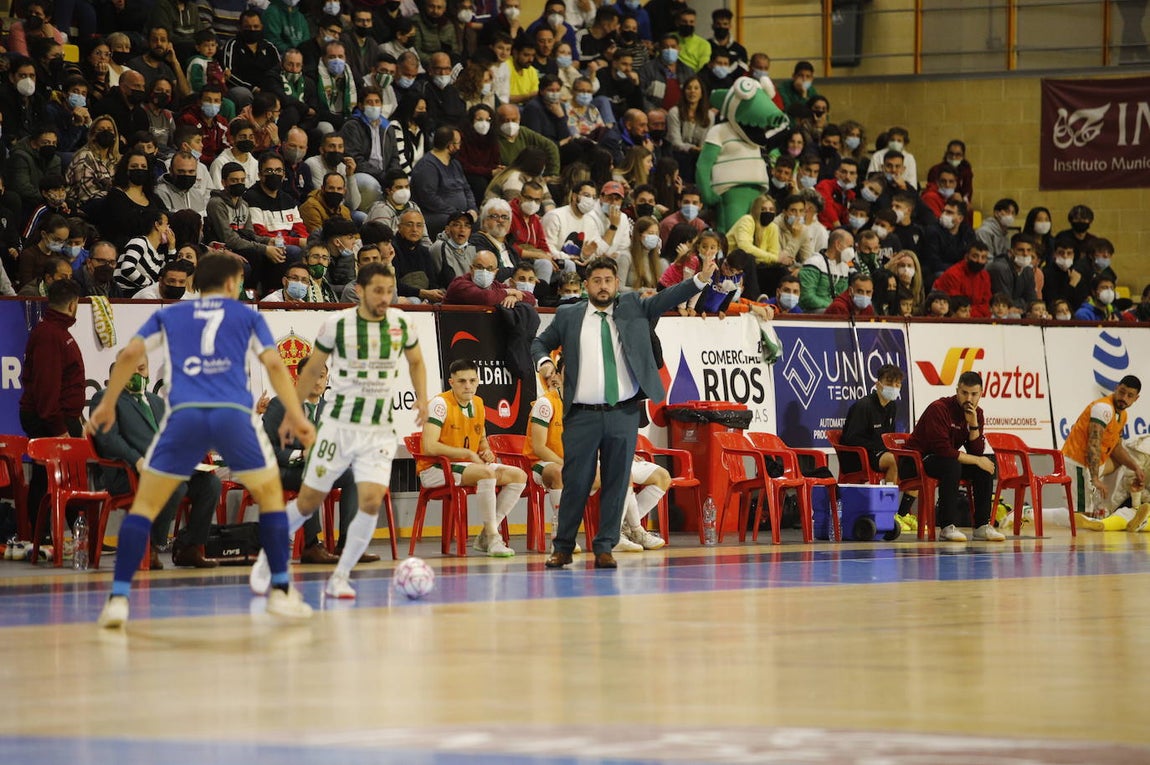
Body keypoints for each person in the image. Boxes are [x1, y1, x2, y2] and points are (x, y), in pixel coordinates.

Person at [88, 253, 317, 627]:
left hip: (186, 416)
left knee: (144, 506)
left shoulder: (172, 313)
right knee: (271, 498)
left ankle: (117, 599)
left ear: (195, 284)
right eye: (239, 281)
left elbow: (130, 354)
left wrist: (107, 403)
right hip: (232, 416)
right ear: (230, 284)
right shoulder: (247, 315)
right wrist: (296, 413)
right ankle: (279, 590)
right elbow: (275, 365)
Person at [533, 254, 716, 569]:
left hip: (623, 413)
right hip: (581, 414)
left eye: (608, 280)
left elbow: (667, 297)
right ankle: (562, 547)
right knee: (576, 481)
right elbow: (539, 342)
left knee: (618, 481)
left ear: (617, 283)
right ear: (587, 285)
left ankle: (605, 546)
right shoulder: (568, 315)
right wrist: (546, 363)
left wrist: (699, 280)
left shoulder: (633, 306)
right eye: (596, 281)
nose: (603, 286)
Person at [257, 278, 424, 597]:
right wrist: (300, 455)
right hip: (283, 470)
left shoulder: (331, 407)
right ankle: (312, 545)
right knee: (310, 473)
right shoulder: (281, 405)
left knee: (351, 476)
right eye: (313, 375)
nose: (318, 381)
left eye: (323, 376)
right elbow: (267, 448)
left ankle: (347, 545)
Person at [91, 355, 221, 569]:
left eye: (142, 368)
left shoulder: (157, 403)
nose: (137, 374)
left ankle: (188, 547)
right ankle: (149, 546)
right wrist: (137, 459)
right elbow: (109, 439)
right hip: (129, 473)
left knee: (210, 484)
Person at [419, 359, 527, 558]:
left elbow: (482, 439)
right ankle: (493, 538)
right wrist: (468, 453)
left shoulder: (478, 403)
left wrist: (486, 451)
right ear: (451, 382)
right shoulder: (439, 404)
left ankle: (486, 534)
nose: (468, 386)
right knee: (486, 473)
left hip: (467, 466)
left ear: (478, 381)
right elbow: (429, 446)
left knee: (519, 476)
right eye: (462, 381)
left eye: (472, 380)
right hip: (435, 468)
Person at [19, 278, 86, 541]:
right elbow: (46, 388)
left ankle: (78, 535)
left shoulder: (55, 332)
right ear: (73, 305)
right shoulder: (50, 335)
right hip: (50, 418)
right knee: (45, 478)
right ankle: (42, 536)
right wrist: (59, 429)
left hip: (58, 416)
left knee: (64, 478)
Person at [902, 371, 1003, 543]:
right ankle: (947, 526)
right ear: (957, 391)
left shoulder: (977, 414)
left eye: (974, 394)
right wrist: (977, 460)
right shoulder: (939, 408)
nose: (969, 398)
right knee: (953, 465)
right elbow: (943, 450)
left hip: (943, 460)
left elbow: (976, 452)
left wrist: (973, 425)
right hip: (917, 460)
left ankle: (981, 526)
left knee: (983, 468)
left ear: (981, 394)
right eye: (964, 393)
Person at [841, 364, 918, 531]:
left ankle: (902, 514)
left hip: (879, 452)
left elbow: (889, 436)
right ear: (878, 384)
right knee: (892, 460)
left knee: (915, 462)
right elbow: (850, 438)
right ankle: (888, 514)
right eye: (889, 383)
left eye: (897, 384)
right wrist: (880, 446)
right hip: (859, 456)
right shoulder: (863, 406)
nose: (894, 388)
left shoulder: (892, 406)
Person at [1059, 376, 1145, 519]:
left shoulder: (1123, 415)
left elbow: (1116, 448)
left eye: (1130, 395)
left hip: (1093, 465)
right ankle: (1029, 513)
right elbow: (1093, 444)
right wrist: (1095, 479)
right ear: (1116, 388)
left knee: (1122, 463)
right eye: (1122, 392)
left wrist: (1135, 467)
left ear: (1136, 398)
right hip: (1077, 463)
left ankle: (1104, 508)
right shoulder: (1103, 408)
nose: (1124, 398)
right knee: (1081, 519)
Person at [445, 250, 537, 307]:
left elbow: (531, 298)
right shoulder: (459, 284)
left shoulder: (495, 285)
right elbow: (485, 298)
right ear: (471, 269)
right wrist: (507, 292)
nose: (484, 271)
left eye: (489, 268)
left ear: (495, 272)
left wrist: (515, 297)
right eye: (480, 267)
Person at [934, 241, 992, 318]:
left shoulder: (985, 276)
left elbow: (988, 306)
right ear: (966, 257)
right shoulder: (953, 274)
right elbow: (956, 308)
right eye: (975, 256)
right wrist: (978, 312)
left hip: (975, 318)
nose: (979, 261)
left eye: (983, 257)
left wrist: (971, 312)